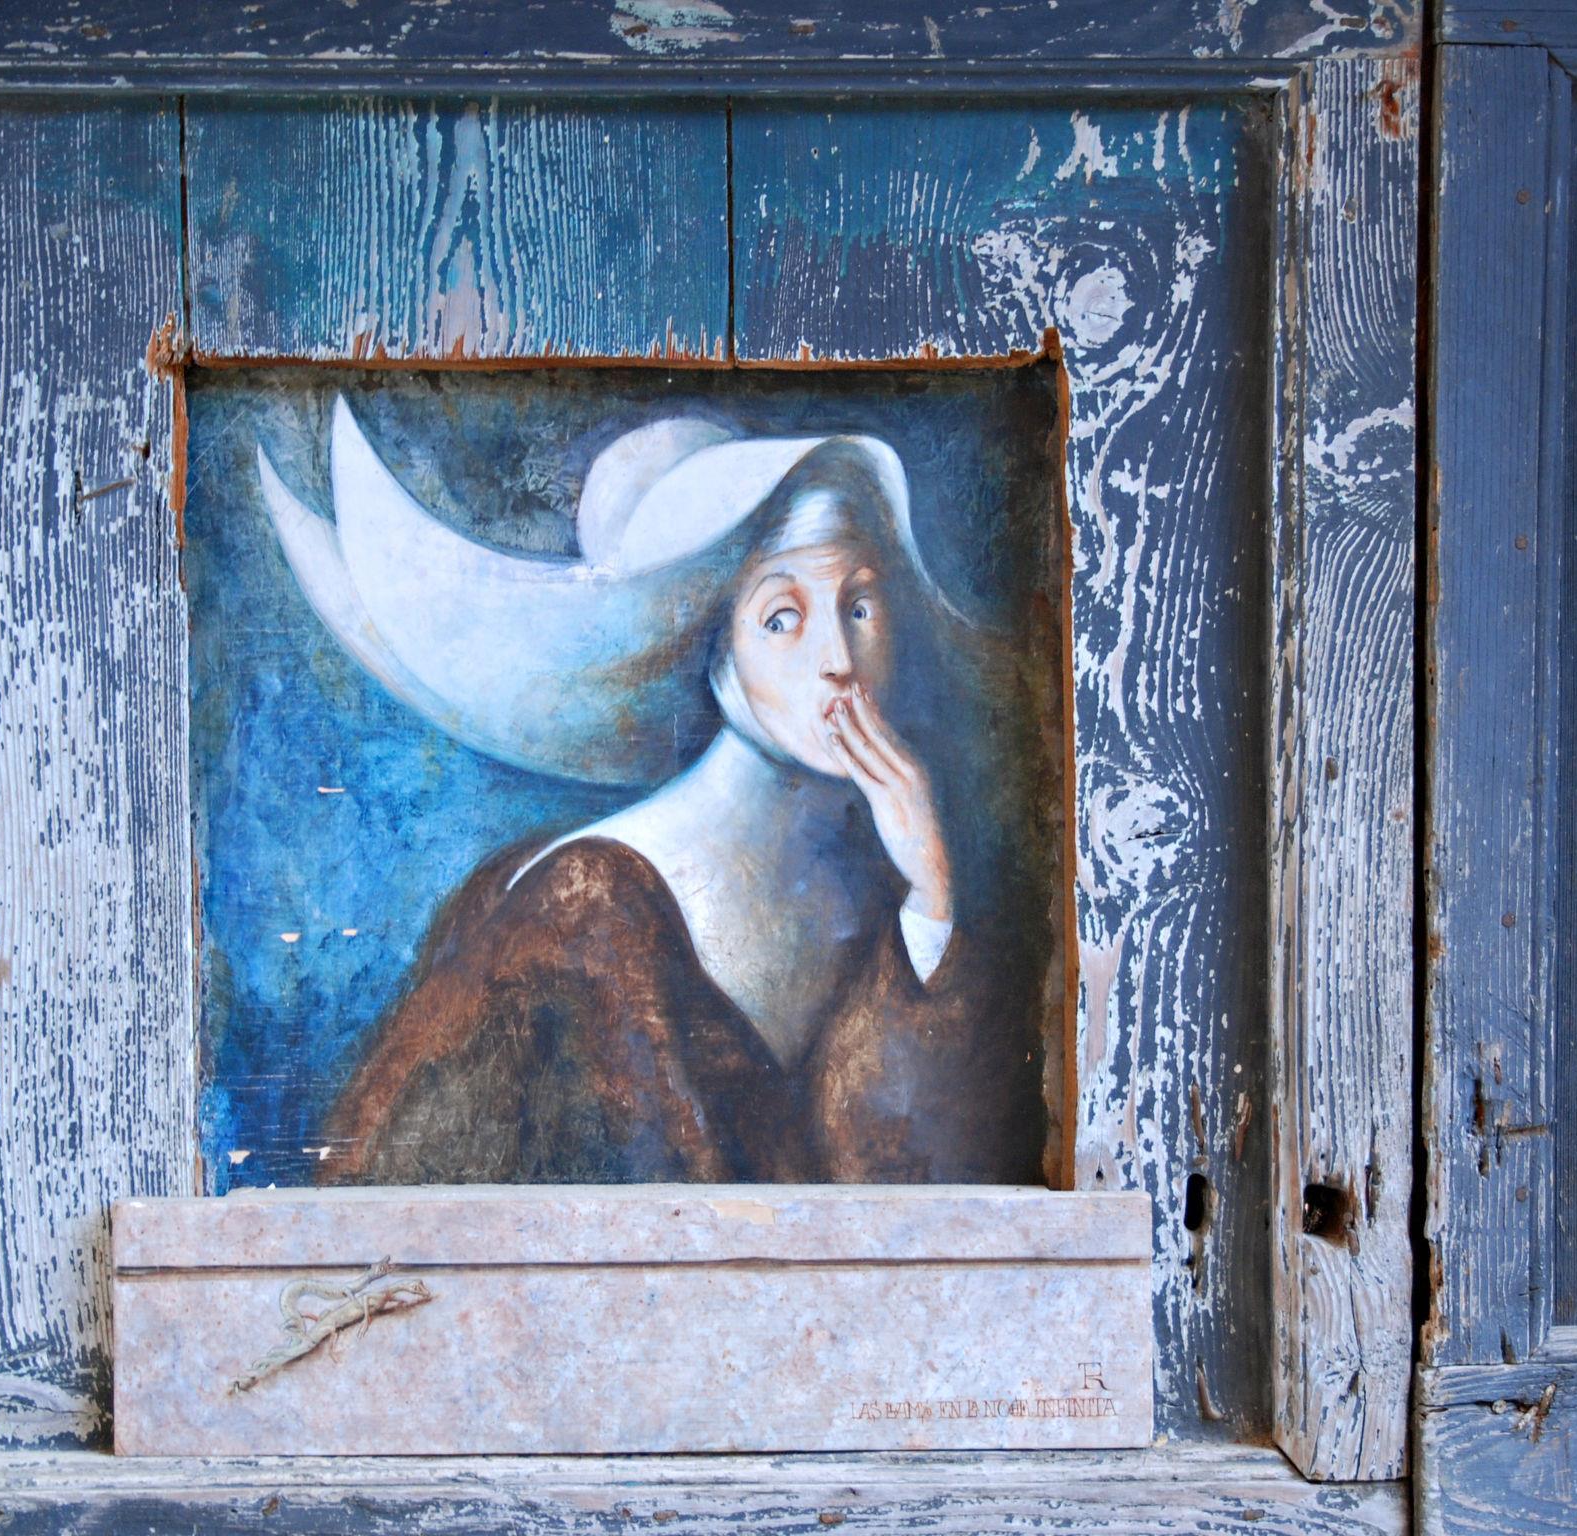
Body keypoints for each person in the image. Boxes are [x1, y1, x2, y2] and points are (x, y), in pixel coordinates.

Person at [257, 401, 1050, 1185]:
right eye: (782, 618)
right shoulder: (583, 905)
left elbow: (898, 1191)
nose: (839, 660)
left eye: (860, 606)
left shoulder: (884, 880)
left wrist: (931, 895)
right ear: (716, 647)